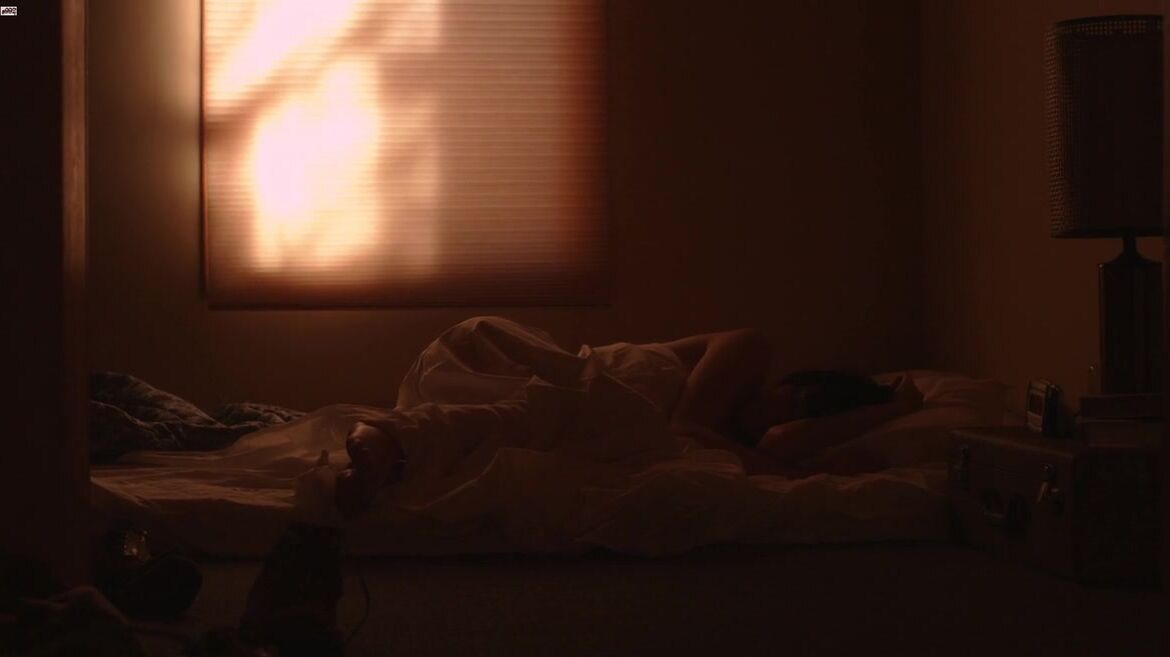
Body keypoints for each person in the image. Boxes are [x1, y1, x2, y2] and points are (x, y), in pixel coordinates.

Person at [334, 316, 924, 515]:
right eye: (795, 401)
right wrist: (788, 467)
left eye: (805, 420)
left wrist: (885, 414)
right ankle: (390, 435)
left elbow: (779, 442)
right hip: (497, 363)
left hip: (505, 400)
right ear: (790, 382)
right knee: (580, 409)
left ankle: (402, 449)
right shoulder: (749, 350)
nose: (779, 418)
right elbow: (682, 428)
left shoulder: (728, 445)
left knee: (555, 443)